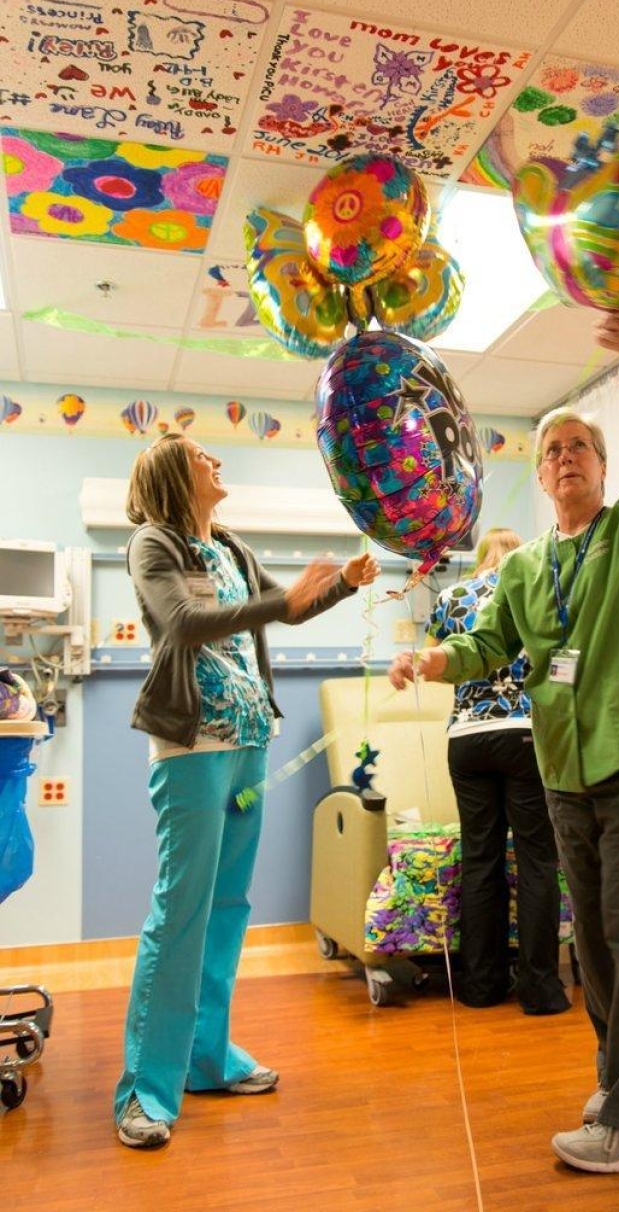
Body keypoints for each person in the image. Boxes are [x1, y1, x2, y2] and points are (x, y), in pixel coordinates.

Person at [389, 310, 619, 1175]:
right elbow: (489, 647)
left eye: (579, 448)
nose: (564, 458)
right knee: (594, 938)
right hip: (564, 765)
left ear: (602, 469)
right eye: (552, 450)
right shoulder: (522, 568)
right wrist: (432, 658)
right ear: (539, 473)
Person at [114, 434, 380, 1149]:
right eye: (204, 457)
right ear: (175, 473)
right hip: (192, 747)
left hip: (249, 742)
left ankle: (206, 1058)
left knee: (227, 906)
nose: (217, 464)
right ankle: (145, 1088)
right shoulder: (152, 545)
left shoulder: (229, 546)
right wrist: (283, 600)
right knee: (181, 911)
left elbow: (284, 611)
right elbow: (184, 622)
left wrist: (343, 587)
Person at [426, 527, 571, 1016]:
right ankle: (540, 989)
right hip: (525, 733)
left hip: (465, 739)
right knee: (536, 859)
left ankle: (481, 984)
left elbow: (442, 657)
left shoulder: (451, 595)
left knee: (480, 858)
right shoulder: (535, 586)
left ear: (483, 555)